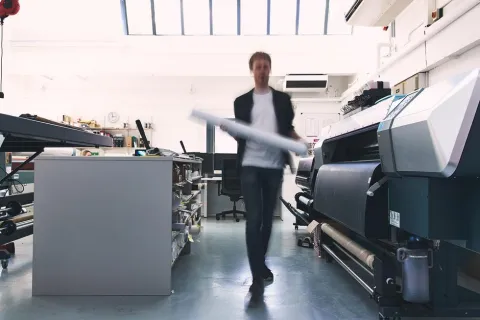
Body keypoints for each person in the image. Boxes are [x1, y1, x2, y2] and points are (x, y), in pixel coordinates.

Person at [227, 51, 303, 303]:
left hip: (273, 166)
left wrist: (300, 142)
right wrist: (230, 130)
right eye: (258, 67)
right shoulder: (241, 102)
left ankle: (260, 266)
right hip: (250, 164)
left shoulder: (282, 99)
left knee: (268, 221)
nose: (262, 70)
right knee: (254, 218)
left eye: (266, 66)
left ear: (270, 69)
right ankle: (257, 274)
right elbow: (241, 135)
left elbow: (287, 128)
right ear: (252, 70)